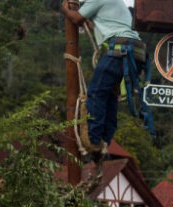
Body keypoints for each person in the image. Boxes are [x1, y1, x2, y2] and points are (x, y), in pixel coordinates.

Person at [61, 0, 145, 161]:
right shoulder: (117, 4)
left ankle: (94, 141)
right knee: (110, 96)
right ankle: (105, 139)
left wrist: (65, 9)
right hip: (137, 51)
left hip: (119, 50)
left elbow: (77, 19)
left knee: (96, 93)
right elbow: (95, 25)